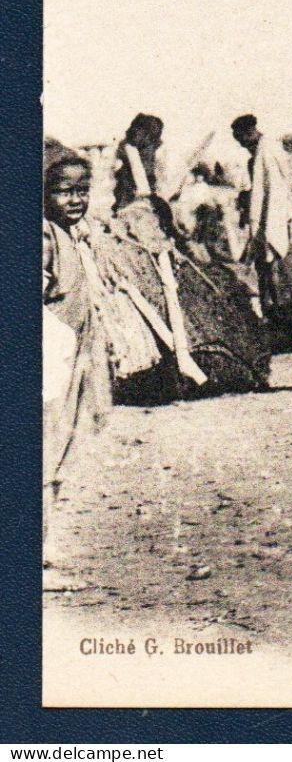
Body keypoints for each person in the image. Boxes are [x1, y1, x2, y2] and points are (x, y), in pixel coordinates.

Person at [43, 151, 115, 592]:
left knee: (62, 449)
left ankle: (41, 546)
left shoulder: (73, 235)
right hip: (50, 360)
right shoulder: (43, 237)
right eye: (64, 190)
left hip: (74, 360)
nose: (75, 199)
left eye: (81, 190)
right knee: (41, 454)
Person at [231, 114, 292, 315]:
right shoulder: (256, 156)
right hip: (262, 217)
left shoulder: (268, 151)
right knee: (262, 266)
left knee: (273, 264)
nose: (242, 146)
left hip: (272, 217)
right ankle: (269, 310)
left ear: (249, 132)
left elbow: (275, 189)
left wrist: (268, 222)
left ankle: (280, 310)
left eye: (241, 140)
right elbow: (258, 189)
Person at [112, 113, 169, 213]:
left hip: (145, 184)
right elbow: (137, 170)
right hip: (129, 186)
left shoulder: (152, 146)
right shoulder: (129, 147)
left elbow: (159, 171)